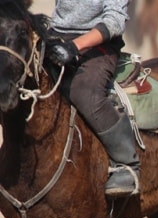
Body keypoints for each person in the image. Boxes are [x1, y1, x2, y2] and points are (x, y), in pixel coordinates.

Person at [46, 0, 141, 198]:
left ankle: (127, 164)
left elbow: (115, 21)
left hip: (98, 44)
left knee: (84, 91)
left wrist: (74, 47)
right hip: (56, 38)